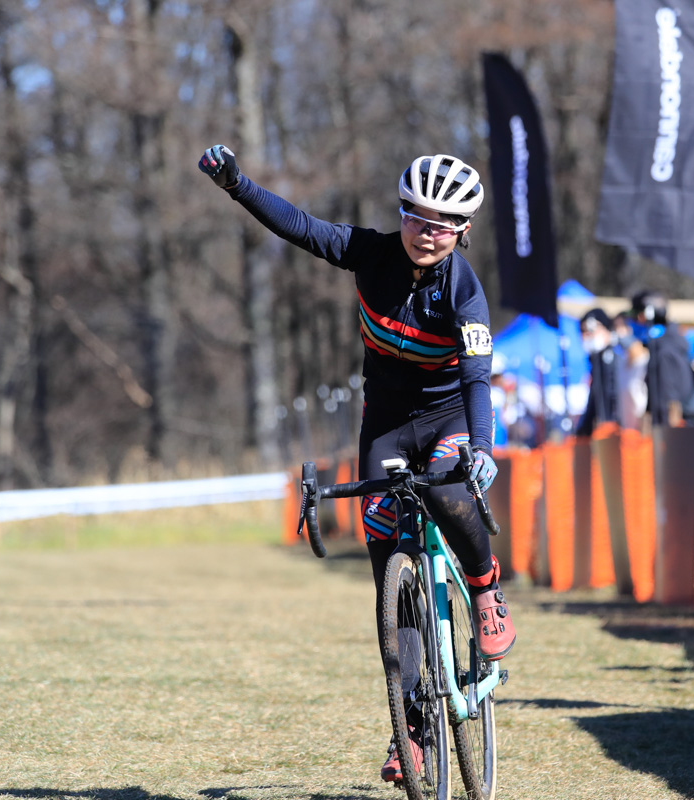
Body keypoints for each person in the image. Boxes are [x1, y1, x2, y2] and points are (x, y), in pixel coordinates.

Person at [198, 145, 515, 783]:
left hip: (451, 417)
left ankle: (484, 586)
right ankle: (412, 731)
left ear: (462, 232)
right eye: (416, 217)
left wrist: (481, 447)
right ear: (401, 214)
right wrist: (238, 185)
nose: (426, 233)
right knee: (389, 587)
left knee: (452, 493)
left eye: (441, 224)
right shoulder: (370, 253)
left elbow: (479, 378)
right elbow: (300, 226)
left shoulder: (466, 292)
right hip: (388, 425)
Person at [631, 289, 694, 425]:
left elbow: (668, 394)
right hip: (663, 419)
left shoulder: (666, 348)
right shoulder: (662, 343)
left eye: (639, 315)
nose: (637, 320)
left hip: (669, 422)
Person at [574, 308, 619, 436]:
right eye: (583, 331)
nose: (587, 335)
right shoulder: (594, 361)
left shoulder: (617, 353)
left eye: (592, 329)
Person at [611, 311, 649, 430]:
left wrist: (627, 340)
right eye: (615, 326)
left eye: (622, 326)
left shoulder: (642, 351)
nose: (618, 330)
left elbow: (637, 352)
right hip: (624, 416)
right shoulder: (620, 354)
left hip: (640, 412)